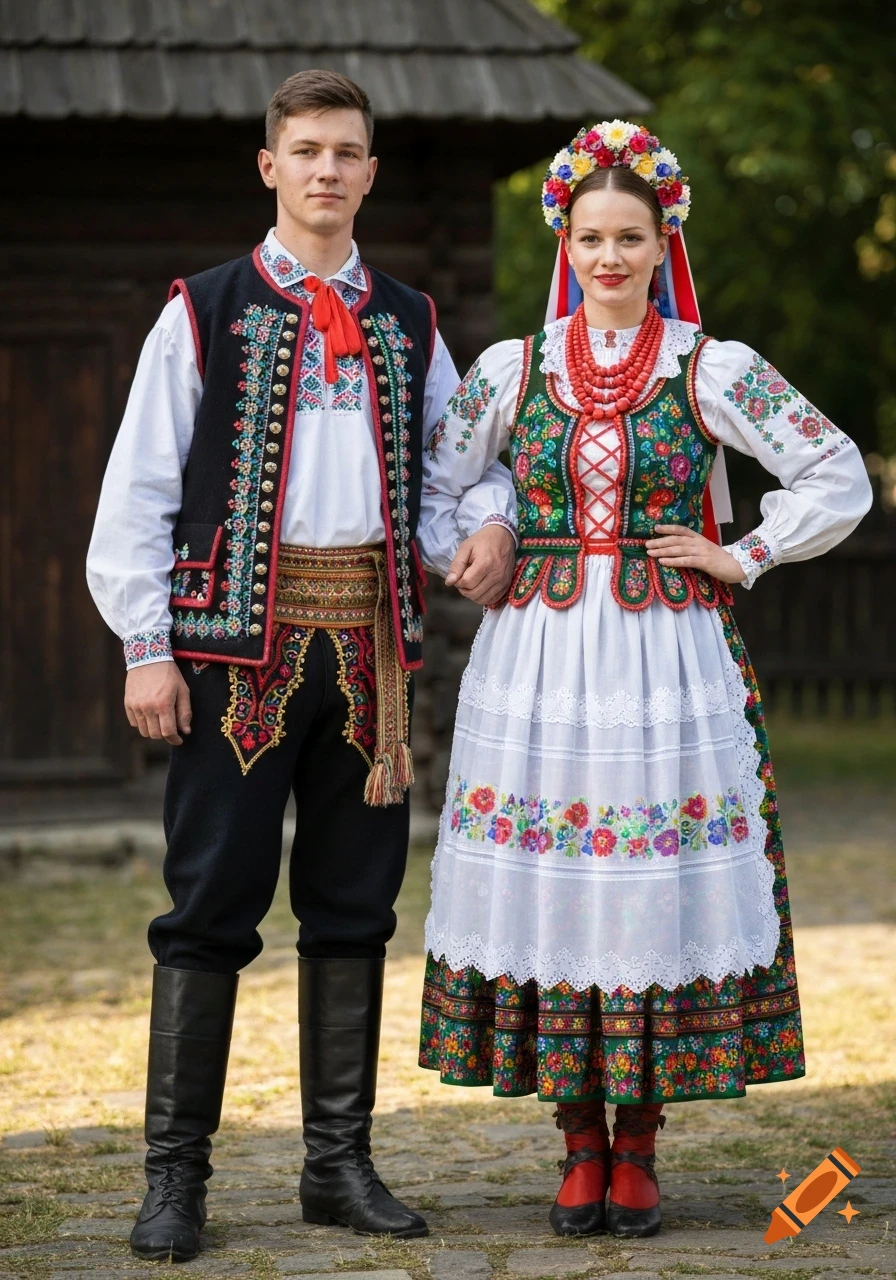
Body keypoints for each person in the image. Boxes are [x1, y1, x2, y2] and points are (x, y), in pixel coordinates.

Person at [86, 69, 516, 1263]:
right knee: (208, 907)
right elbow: (139, 490)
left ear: (370, 173)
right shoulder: (206, 310)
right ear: (269, 167)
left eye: (348, 152)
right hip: (232, 648)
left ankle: (337, 1166)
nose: (328, 169)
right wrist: (145, 647)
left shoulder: (409, 320)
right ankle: (175, 1179)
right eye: (307, 150)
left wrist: (483, 522)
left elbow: (452, 468)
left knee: (352, 910)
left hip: (371, 650)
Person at [416, 119, 872, 1240]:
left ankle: (641, 1143)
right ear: (561, 244)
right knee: (559, 889)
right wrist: (483, 530)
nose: (608, 258)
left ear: (661, 237)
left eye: (629, 237)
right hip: (539, 662)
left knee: (650, 890)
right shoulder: (508, 369)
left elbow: (834, 467)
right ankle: (577, 1139)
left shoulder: (708, 366)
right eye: (588, 239)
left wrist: (743, 552)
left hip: (666, 663)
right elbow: (438, 485)